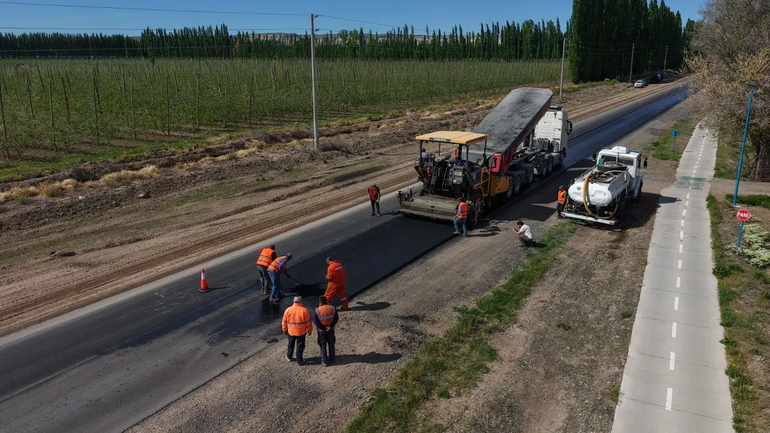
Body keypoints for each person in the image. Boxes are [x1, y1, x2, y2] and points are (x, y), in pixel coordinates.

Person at [282, 296, 312, 365]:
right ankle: (299, 360)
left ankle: (289, 356)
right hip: (301, 332)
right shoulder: (304, 310)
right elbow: (308, 322)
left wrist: (284, 329)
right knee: (300, 346)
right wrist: (310, 330)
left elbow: (284, 321)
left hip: (291, 332)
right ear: (300, 302)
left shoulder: (288, 310)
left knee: (290, 344)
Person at [312, 295, 339, 367]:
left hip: (321, 331)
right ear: (326, 301)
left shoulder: (317, 310)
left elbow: (315, 321)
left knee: (323, 345)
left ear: (320, 302)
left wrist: (323, 328)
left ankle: (324, 361)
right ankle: (332, 359)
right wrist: (331, 326)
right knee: (331, 344)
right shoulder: (332, 308)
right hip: (331, 330)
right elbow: (336, 318)